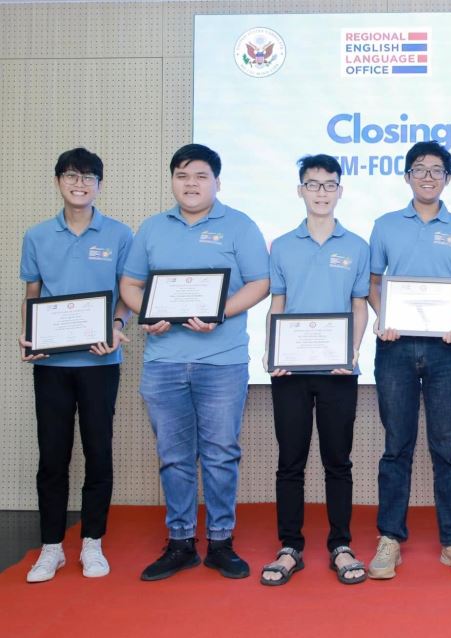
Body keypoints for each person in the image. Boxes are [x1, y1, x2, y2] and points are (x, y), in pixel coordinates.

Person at [119, 144, 270, 581]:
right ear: (172, 180)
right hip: (164, 362)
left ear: (216, 182)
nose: (191, 183)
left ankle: (221, 542)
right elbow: (129, 284)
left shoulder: (240, 225)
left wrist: (220, 311)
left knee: (221, 454)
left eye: (201, 176)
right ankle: (180, 542)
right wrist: (148, 313)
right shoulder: (152, 228)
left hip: (221, 362)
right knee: (173, 456)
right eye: (182, 175)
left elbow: (260, 283)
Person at [366, 141, 451, 579]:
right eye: (419, 169)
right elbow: (373, 284)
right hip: (394, 347)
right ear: (407, 176)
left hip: (446, 350)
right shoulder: (385, 226)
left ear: (448, 178)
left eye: (437, 170)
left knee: (447, 447)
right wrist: (384, 317)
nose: (428, 177)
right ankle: (389, 540)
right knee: (396, 446)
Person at [20, 148, 133, 582]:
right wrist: (29, 334)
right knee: (52, 455)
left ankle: (92, 542)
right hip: (51, 363)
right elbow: (33, 294)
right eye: (71, 175)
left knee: (98, 452)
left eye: (88, 177)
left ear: (99, 185)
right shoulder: (37, 236)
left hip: (101, 361)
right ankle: (51, 548)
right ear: (58, 182)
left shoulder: (119, 234)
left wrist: (117, 325)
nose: (79, 184)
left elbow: (127, 294)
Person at [259, 154, 369, 586]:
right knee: (290, 461)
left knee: (338, 461)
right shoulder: (283, 245)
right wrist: (272, 351)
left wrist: (352, 352)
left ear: (340, 191)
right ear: (300, 190)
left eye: (329, 185)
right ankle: (290, 547)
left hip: (339, 371)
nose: (321, 192)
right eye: (313, 184)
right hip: (291, 372)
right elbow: (278, 304)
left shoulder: (356, 246)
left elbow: (359, 305)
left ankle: (341, 544)